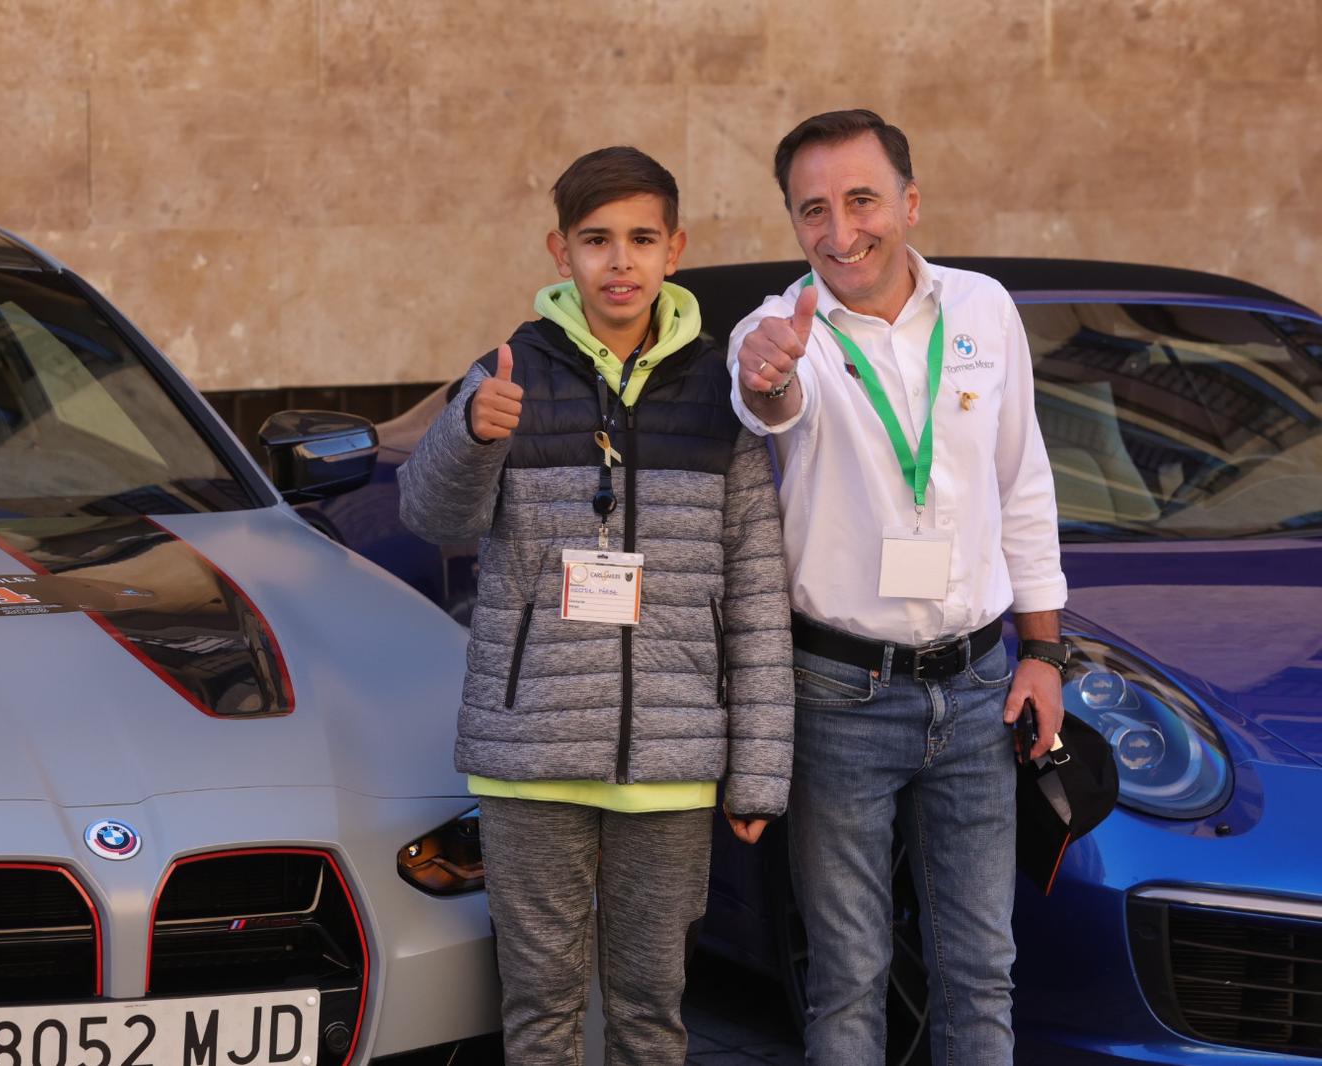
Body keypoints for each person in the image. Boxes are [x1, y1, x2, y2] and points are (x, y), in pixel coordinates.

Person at [398, 145, 794, 1066]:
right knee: (540, 1009)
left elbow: (756, 586)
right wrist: (469, 437)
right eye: (596, 240)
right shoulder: (507, 373)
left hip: (671, 762)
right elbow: (431, 517)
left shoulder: (720, 392)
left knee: (651, 1011)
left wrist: (758, 769)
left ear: (675, 249)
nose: (620, 262)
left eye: (642, 240)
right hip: (531, 755)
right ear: (560, 251)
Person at [727, 110, 1069, 1065]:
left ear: (911, 202)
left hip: (979, 687)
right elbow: (767, 399)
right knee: (848, 976)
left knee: (982, 971)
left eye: (862, 200)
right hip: (840, 694)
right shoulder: (777, 330)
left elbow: (1024, 483)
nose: (841, 233)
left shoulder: (983, 309)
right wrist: (765, 376)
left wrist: (1044, 654)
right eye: (814, 211)